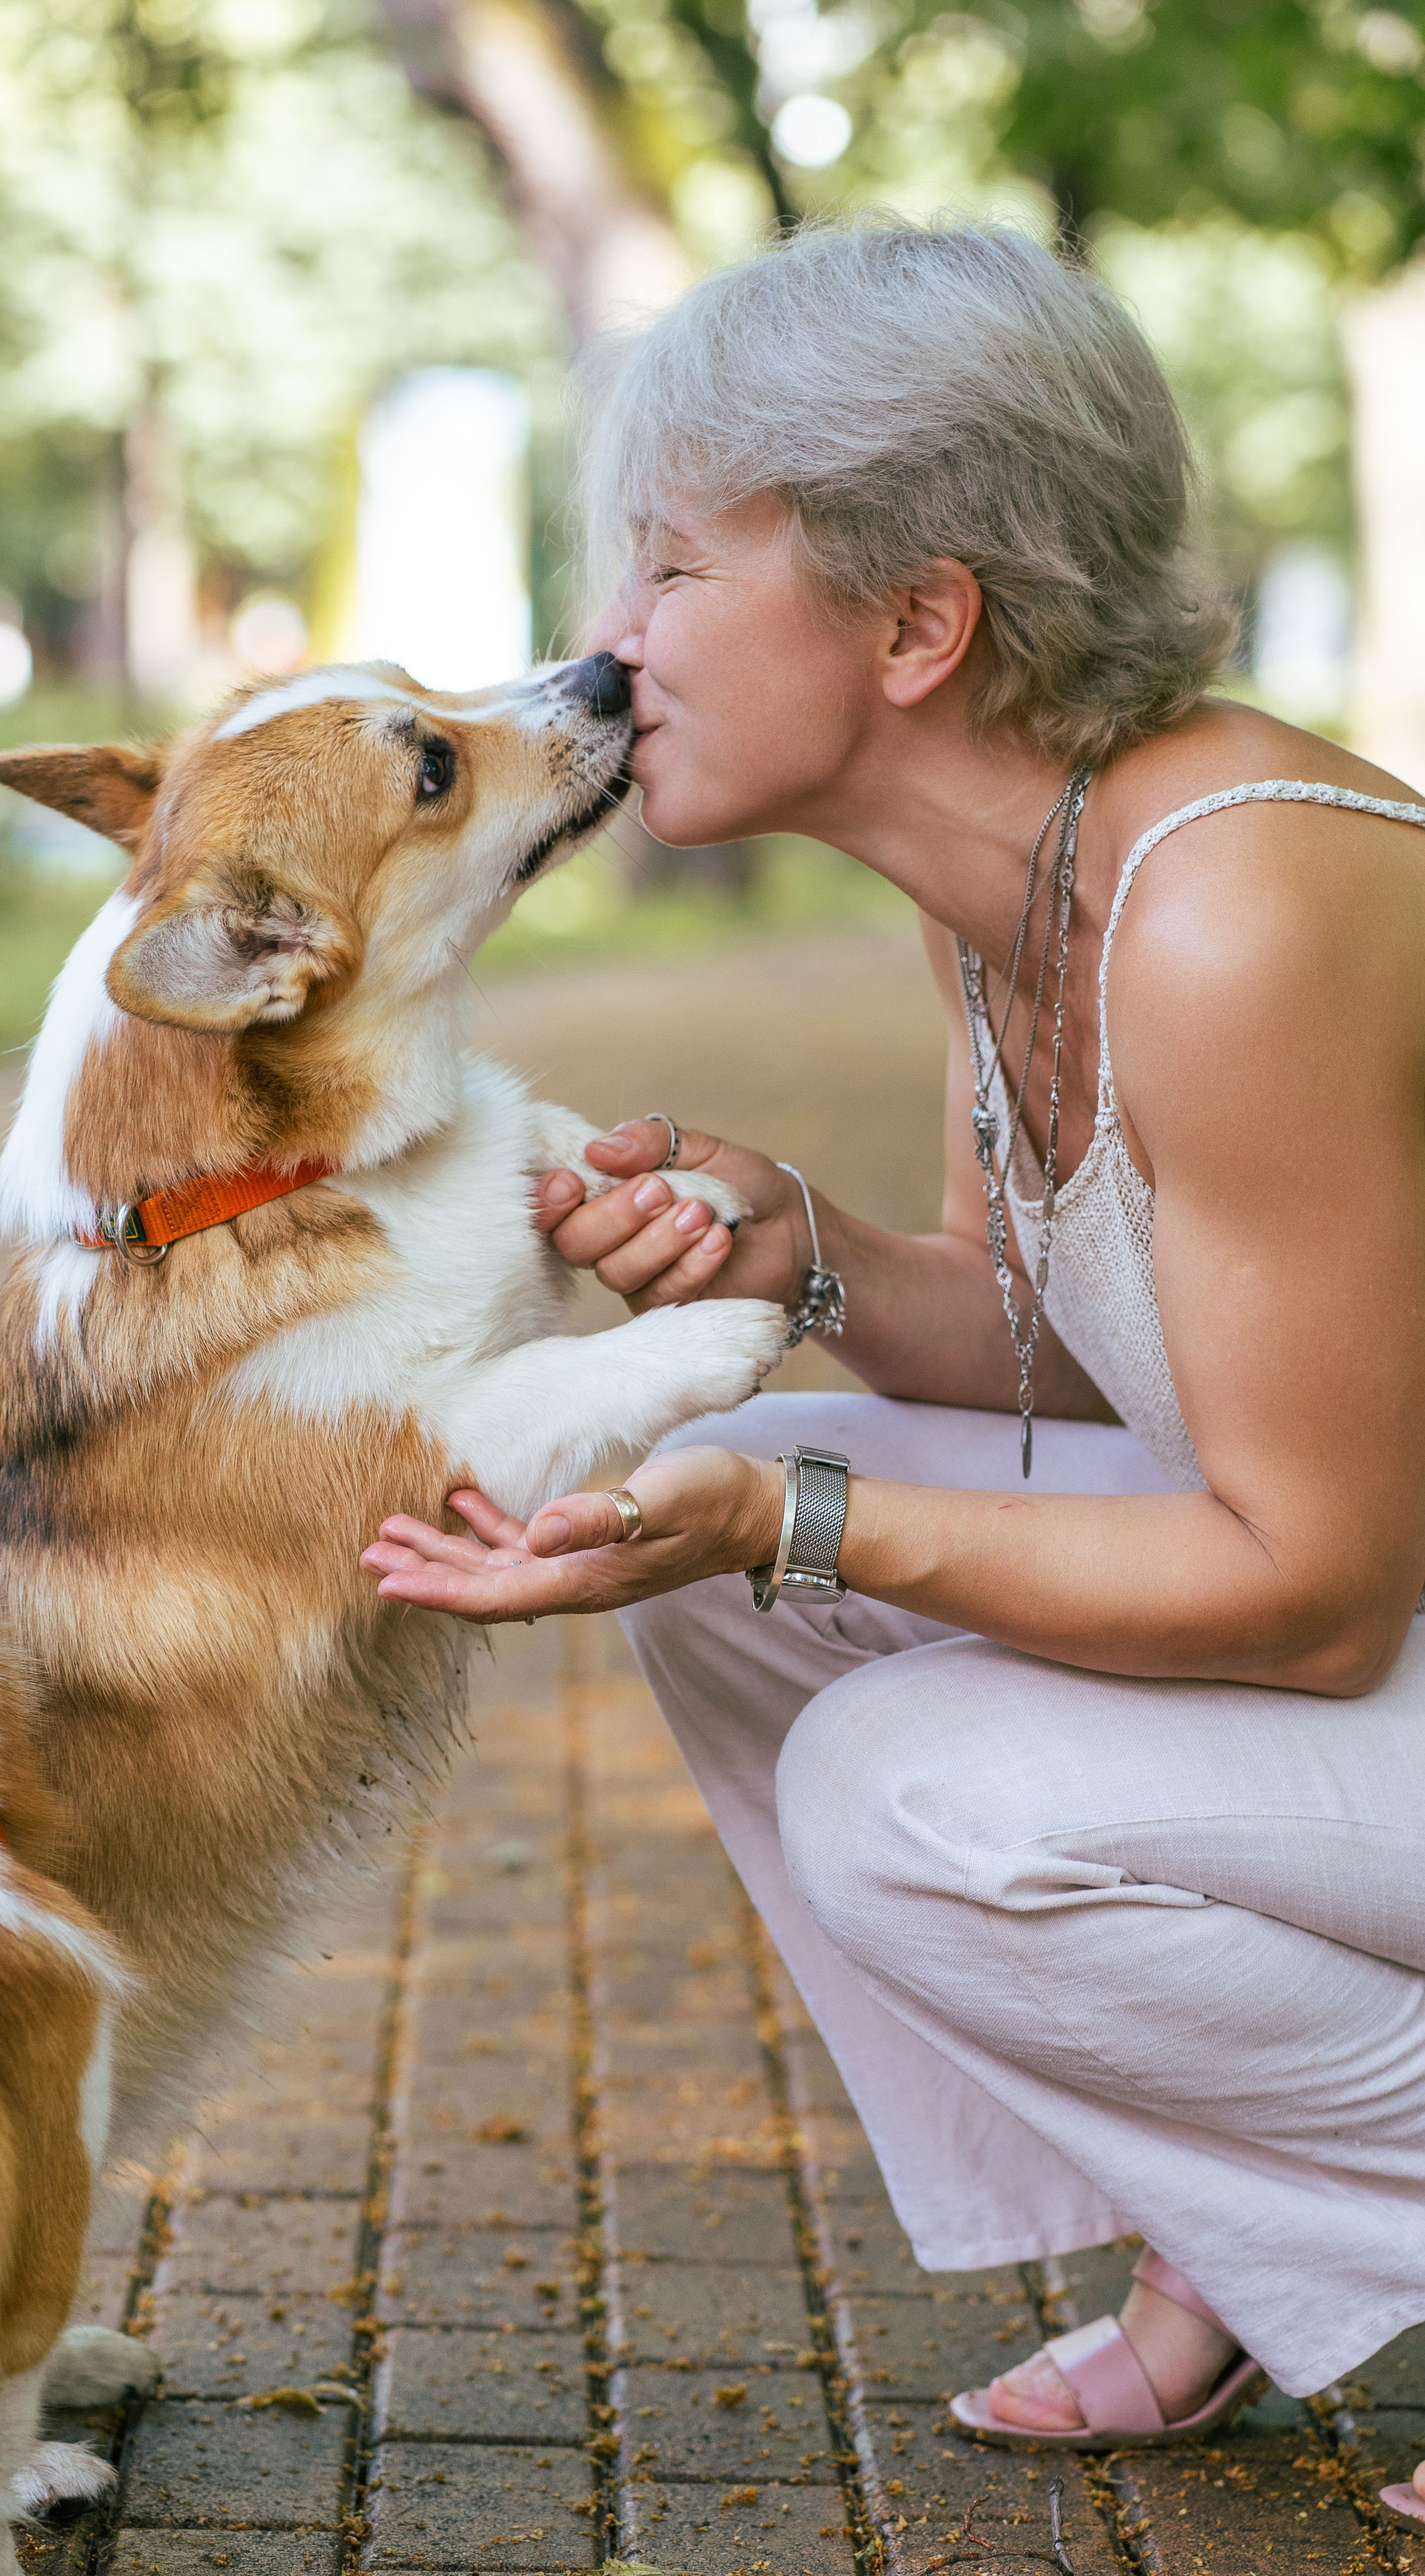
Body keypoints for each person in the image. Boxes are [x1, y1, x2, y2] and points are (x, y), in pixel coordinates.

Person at [359, 219, 1425, 2494]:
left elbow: (1318, 1594)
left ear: (921, 622)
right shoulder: (1016, 875)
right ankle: (1229, 2230)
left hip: (1380, 1618)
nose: (609, 641)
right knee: (767, 1574)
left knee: (896, 1769)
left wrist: (783, 1508)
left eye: (667, 569)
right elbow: (1060, 1335)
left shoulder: (1233, 907)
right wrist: (808, 1249)